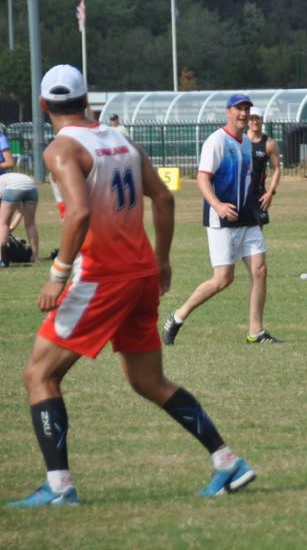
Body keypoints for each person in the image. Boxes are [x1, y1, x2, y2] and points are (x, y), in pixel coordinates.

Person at [8, 64, 254, 508]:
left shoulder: (62, 149)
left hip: (102, 278)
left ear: (43, 105)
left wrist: (57, 274)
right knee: (148, 380)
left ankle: (59, 487)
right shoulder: (121, 140)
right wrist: (161, 259)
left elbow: (79, 212)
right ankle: (227, 460)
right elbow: (163, 197)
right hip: (140, 276)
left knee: (38, 375)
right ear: (87, 100)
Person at [162, 93, 281, 345]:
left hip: (247, 217)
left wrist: (265, 196)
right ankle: (178, 316)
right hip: (222, 220)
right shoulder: (216, 141)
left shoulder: (246, 143)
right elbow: (202, 178)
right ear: (228, 112)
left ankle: (256, 332)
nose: (244, 113)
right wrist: (217, 205)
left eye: (247, 109)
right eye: (239, 109)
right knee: (223, 279)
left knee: (260, 270)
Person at [246, 107, 282, 226]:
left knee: (257, 231)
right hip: (240, 194)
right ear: (247, 121)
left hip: (258, 195)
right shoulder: (240, 140)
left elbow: (277, 169)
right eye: (251, 119)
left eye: (257, 118)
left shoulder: (269, 144)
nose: (255, 122)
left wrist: (270, 192)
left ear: (262, 120)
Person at [0, 171, 40, 263]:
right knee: (30, 224)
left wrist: (9, 227)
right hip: (31, 185)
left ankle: (2, 258)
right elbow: (21, 210)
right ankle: (35, 257)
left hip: (13, 187)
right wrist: (12, 227)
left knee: (3, 223)